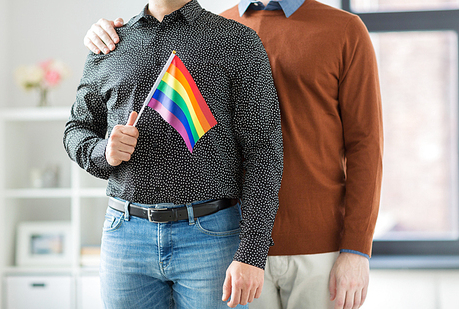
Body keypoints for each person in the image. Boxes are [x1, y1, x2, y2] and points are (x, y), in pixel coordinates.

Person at [82, 0, 383, 309]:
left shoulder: (343, 29)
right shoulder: (216, 27)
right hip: (232, 242)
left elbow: (366, 145)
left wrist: (357, 249)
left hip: (315, 246)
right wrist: (102, 35)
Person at [64, 0, 283, 308]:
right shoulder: (110, 43)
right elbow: (76, 128)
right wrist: (105, 152)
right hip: (125, 238)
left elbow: (264, 151)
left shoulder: (237, 42)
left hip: (212, 237)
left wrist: (252, 253)